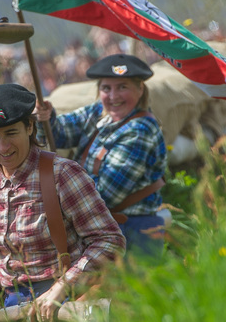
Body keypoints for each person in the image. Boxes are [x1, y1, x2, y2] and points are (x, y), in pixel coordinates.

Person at [0, 83, 126, 322]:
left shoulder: (61, 174)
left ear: (30, 127)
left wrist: (61, 288)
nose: (2, 147)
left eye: (11, 133)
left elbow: (109, 240)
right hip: (10, 312)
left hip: (66, 307)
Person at [36, 54, 168, 258]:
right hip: (102, 227)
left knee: (134, 290)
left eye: (122, 87)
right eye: (106, 88)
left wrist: (57, 201)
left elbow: (107, 194)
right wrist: (46, 119)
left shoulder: (141, 131)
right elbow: (61, 132)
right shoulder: (98, 111)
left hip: (133, 233)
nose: (113, 96)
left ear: (140, 89)